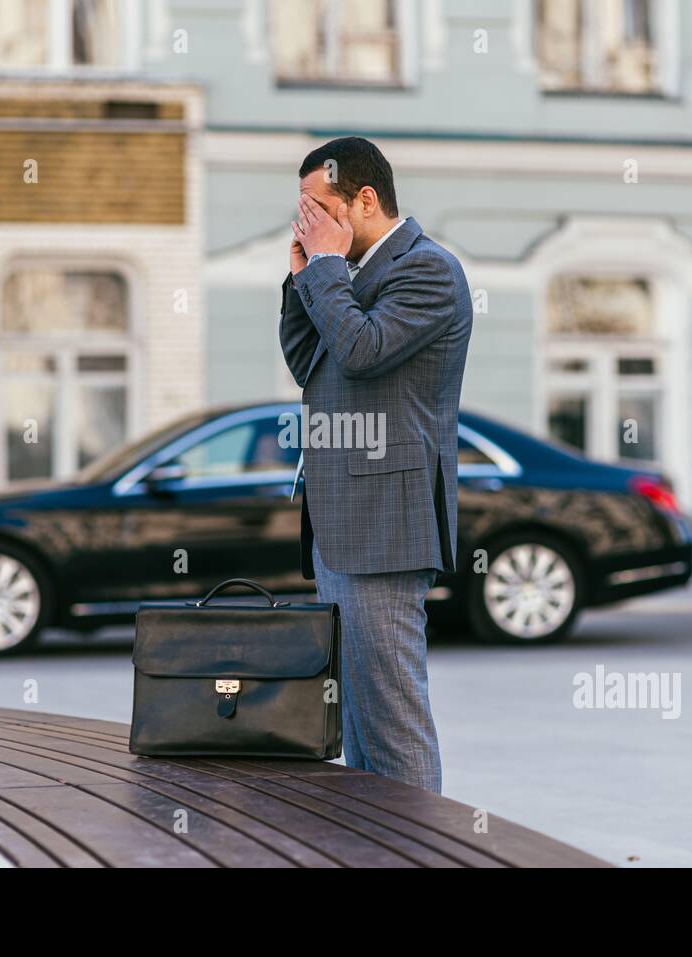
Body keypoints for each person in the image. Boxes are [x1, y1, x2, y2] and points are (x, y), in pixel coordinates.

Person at [280, 136, 472, 793]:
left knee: (392, 728)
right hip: (341, 528)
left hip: (384, 530)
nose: (307, 223)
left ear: (365, 200)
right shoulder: (350, 277)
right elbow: (310, 362)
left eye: (318, 209)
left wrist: (326, 271)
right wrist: (305, 272)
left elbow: (361, 351)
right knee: (359, 730)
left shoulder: (428, 271)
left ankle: (421, 852)